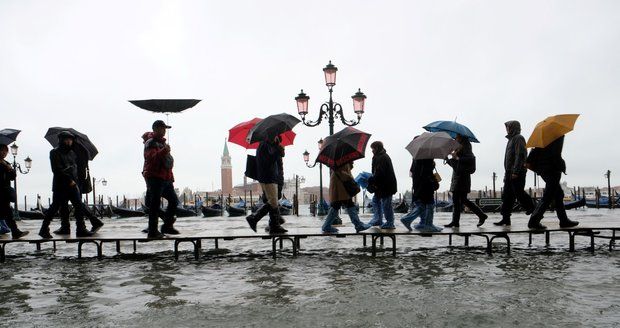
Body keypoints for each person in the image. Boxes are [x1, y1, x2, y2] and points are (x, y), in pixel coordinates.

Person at [38, 131, 95, 238]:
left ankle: (81, 229)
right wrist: (69, 179)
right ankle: (43, 229)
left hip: (73, 185)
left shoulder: (72, 153)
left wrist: (76, 181)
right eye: (66, 139)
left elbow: (75, 168)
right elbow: (56, 169)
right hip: (60, 185)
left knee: (78, 207)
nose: (69, 141)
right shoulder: (54, 152)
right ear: (61, 140)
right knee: (54, 207)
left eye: (71, 140)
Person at [526, 136, 578, 229]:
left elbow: (532, 158)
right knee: (548, 196)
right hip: (552, 169)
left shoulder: (541, 139)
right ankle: (533, 221)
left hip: (544, 169)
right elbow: (555, 154)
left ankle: (563, 220)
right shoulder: (556, 136)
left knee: (558, 194)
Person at [54, 143, 104, 235]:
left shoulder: (73, 149)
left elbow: (74, 165)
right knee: (75, 203)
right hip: (76, 179)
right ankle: (91, 222)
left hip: (73, 180)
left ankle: (67, 227)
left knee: (69, 204)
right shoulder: (82, 149)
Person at [143, 120, 181, 238]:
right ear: (155, 129)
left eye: (165, 129)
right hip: (155, 177)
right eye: (162, 128)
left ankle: (167, 226)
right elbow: (151, 158)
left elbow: (167, 162)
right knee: (155, 204)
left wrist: (171, 178)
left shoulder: (163, 143)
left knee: (174, 201)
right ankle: (153, 231)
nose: (164, 131)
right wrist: (164, 151)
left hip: (166, 178)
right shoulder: (150, 143)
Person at [495, 121, 535, 226]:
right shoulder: (511, 140)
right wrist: (507, 174)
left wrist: (516, 171)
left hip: (517, 172)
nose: (507, 129)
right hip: (509, 173)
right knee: (507, 196)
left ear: (513, 128)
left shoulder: (518, 138)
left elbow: (520, 155)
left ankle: (533, 209)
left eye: (508, 127)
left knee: (519, 192)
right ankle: (505, 219)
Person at [245, 134, 287, 233]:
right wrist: (278, 149)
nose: (276, 138)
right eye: (275, 136)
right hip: (268, 177)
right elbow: (269, 161)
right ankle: (254, 218)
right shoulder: (264, 145)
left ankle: (274, 225)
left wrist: (277, 148)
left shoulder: (267, 145)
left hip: (270, 177)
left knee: (273, 202)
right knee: (273, 201)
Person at [444, 134, 487, 227]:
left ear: (461, 137)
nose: (455, 138)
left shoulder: (466, 146)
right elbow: (456, 167)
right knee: (460, 200)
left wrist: (457, 157)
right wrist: (448, 160)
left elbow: (470, 159)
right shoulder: (458, 147)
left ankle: (480, 216)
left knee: (460, 200)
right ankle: (457, 221)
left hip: (462, 179)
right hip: (457, 178)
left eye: (457, 136)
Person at [321, 162, 371, 233]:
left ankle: (326, 226)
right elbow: (342, 173)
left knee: (337, 205)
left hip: (338, 185)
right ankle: (358, 225)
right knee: (348, 204)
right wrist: (351, 179)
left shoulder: (340, 160)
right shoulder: (341, 160)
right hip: (341, 186)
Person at [401, 158, 443, 232]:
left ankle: (423, 223)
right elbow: (427, 172)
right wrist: (432, 165)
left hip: (418, 185)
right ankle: (427, 224)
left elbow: (412, 172)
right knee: (429, 204)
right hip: (425, 185)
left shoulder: (416, 158)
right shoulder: (426, 158)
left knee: (422, 205)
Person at [366, 141, 398, 229]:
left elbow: (380, 173)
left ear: (376, 148)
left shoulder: (382, 158)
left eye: (372, 148)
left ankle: (390, 223)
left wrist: (371, 179)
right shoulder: (379, 156)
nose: (372, 150)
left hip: (386, 186)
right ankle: (378, 219)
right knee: (375, 201)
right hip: (381, 186)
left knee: (386, 204)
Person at [0, 144, 29, 239]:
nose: (4, 153)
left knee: (8, 214)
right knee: (7, 214)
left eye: (5, 151)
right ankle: (15, 232)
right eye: (2, 150)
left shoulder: (6, 163)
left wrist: (9, 169)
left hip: (4, 193)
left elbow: (13, 177)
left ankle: (15, 232)